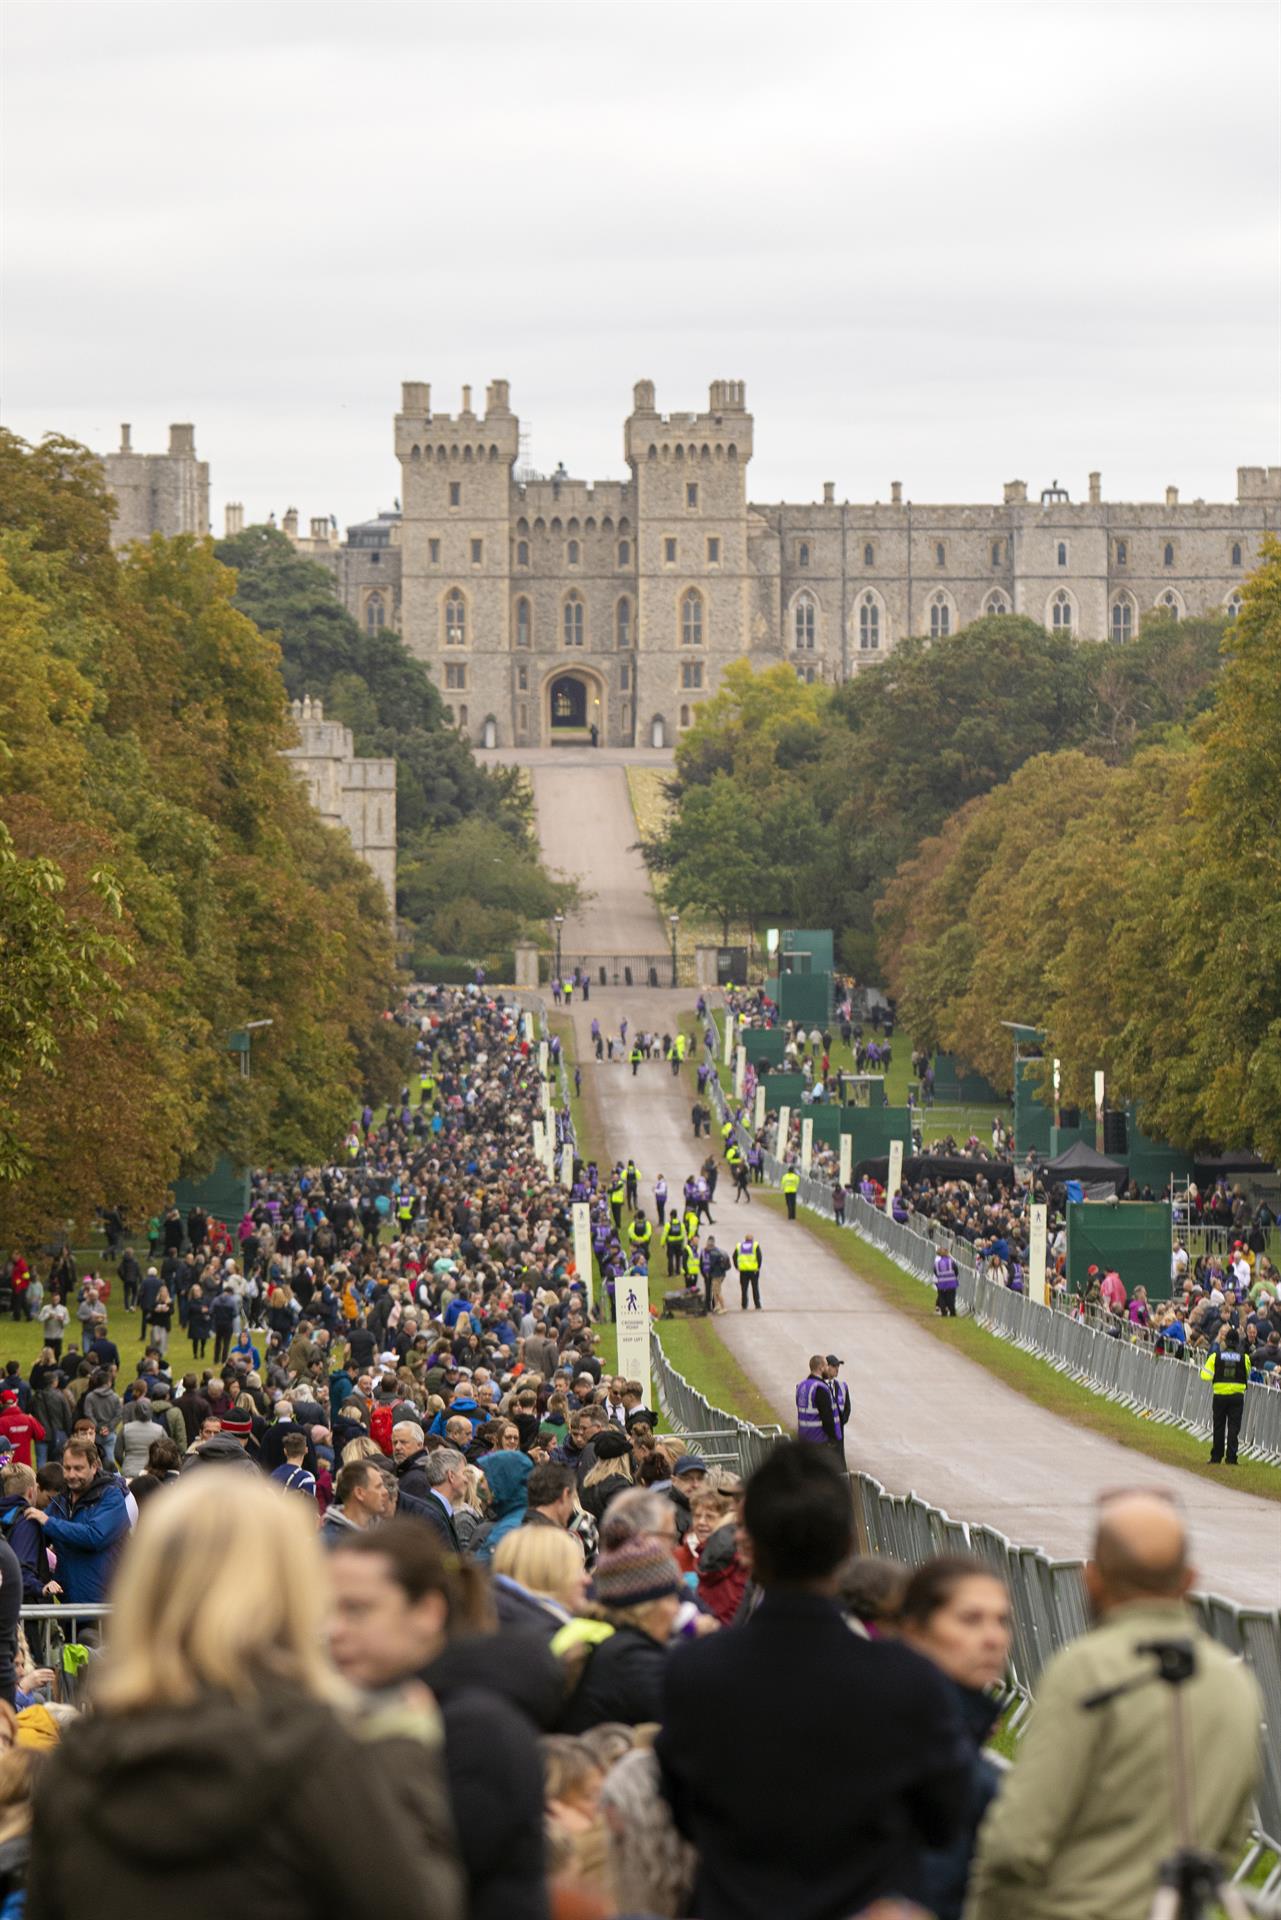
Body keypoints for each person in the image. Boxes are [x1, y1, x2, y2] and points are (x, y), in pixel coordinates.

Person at [28, 1472, 464, 1920]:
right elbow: (419, 1903)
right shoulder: (317, 1753)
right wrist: (405, 1749)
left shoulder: (75, 1768)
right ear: (287, 1586)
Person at [655, 1443, 968, 1920]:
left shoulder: (693, 1673)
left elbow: (682, 1813)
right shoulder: (906, 1678)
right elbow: (944, 1819)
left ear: (748, 1547)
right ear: (847, 1545)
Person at [965, 1491, 1262, 1920]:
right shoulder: (1236, 1684)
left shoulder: (1084, 1670)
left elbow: (1017, 1842)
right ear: (1189, 1580)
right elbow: (1231, 1836)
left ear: (1092, 1578)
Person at [328, 1519, 548, 1920]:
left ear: (427, 1611)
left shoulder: (478, 1730)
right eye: (331, 1610)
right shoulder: (376, 1706)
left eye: (357, 1610)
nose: (334, 1630)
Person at [898, 1556, 1013, 1920]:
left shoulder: (962, 1728)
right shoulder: (910, 1734)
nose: (993, 1638)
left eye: (1002, 1621)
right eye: (970, 1620)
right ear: (916, 1630)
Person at [552, 1533, 682, 1732]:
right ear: (646, 1607)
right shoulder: (632, 1658)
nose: (677, 1609)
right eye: (671, 1598)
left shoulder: (603, 1638)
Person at [24, 1438, 128, 1604]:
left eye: (78, 1468)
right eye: (67, 1468)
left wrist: (49, 1522)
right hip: (69, 1607)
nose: (71, 1475)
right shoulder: (61, 1500)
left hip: (104, 1609)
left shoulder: (111, 1497)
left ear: (94, 1467)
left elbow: (94, 1536)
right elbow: (37, 1535)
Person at [492, 1526, 587, 1638]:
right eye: (576, 1570)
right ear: (547, 1575)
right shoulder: (550, 1646)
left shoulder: (489, 1628)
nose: (586, 1580)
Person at [1200, 1323, 1250, 1466]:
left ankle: (1216, 1457)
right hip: (1237, 1397)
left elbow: (1205, 1375)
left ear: (1225, 1341)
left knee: (1219, 1426)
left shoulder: (1215, 1357)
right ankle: (1232, 1458)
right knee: (1234, 1428)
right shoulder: (1244, 1358)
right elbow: (1247, 1373)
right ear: (1238, 1342)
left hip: (1220, 1396)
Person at [320, 1457, 390, 1546]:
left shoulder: (381, 1531)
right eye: (378, 1486)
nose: (385, 1492)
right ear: (359, 1493)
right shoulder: (331, 1544)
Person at [795, 1354, 843, 1461]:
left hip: (804, 1440)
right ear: (821, 1367)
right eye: (826, 1366)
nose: (827, 1368)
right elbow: (827, 1417)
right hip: (820, 1441)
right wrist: (833, 1438)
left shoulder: (801, 1386)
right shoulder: (820, 1388)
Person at [733, 1233, 762, 1310]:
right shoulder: (755, 1245)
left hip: (743, 1271)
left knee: (744, 1288)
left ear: (745, 1239)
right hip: (753, 1271)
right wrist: (758, 1267)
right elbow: (759, 1256)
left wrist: (736, 1266)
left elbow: (734, 1256)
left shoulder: (739, 1246)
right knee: (755, 1287)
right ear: (752, 1240)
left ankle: (744, 1305)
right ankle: (757, 1304)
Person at [934, 1246, 960, 1317]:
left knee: (942, 1297)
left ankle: (943, 1311)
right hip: (951, 1283)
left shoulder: (937, 1263)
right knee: (951, 1298)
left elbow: (935, 1272)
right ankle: (952, 1312)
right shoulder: (951, 1262)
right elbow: (956, 1271)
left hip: (941, 1283)